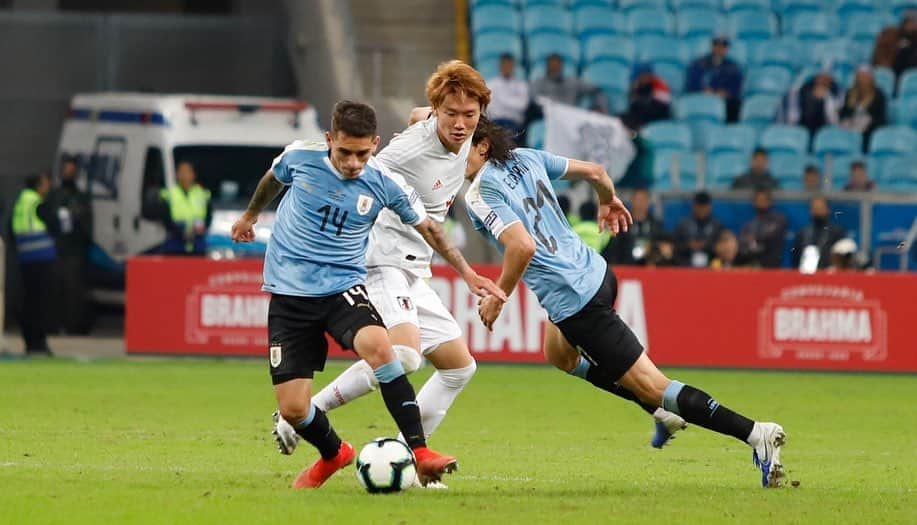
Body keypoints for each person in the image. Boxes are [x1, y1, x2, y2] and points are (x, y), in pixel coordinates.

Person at [464, 118, 787, 487]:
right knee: (559, 355)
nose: (452, 156)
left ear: (483, 146)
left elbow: (521, 247)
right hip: (597, 274)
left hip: (578, 303)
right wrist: (607, 201)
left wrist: (497, 298)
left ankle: (755, 433)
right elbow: (598, 172)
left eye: (460, 148)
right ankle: (662, 415)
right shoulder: (525, 157)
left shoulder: (480, 193)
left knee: (654, 386)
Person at [231, 100, 504, 489]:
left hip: (343, 287)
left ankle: (420, 451)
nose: (353, 163)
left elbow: (429, 228)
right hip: (290, 298)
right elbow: (272, 179)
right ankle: (334, 454)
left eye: (363, 153)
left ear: (375, 144)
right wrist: (250, 215)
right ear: (329, 140)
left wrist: (467, 272)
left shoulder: (382, 181)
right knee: (293, 410)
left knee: (385, 350)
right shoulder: (300, 157)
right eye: (344, 152)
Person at [44, 155, 93, 334]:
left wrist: (77, 216)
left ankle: (73, 326)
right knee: (55, 289)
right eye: (66, 170)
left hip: (74, 250)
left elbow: (87, 223)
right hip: (56, 248)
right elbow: (46, 216)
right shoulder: (54, 196)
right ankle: (55, 326)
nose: (68, 173)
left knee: (74, 290)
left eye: (72, 171)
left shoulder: (80, 197)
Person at [11, 172, 57, 354]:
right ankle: (39, 343)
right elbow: (54, 224)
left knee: (29, 302)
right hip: (41, 260)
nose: (49, 186)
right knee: (41, 305)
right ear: (39, 185)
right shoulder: (36, 202)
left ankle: (31, 342)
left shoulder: (21, 201)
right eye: (46, 183)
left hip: (25, 259)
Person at [685, 35, 743, 122]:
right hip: (702, 97)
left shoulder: (733, 67)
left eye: (723, 45)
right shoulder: (699, 63)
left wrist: (725, 93)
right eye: (717, 44)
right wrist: (704, 91)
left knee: (735, 105)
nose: (719, 48)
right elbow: (692, 83)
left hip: (724, 101)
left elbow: (736, 86)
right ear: (712, 46)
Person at [159, 161, 212, 255]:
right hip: (175, 244)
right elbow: (165, 219)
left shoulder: (203, 194)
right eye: (182, 172)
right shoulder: (169, 194)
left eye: (188, 172)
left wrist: (196, 232)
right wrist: (181, 234)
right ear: (177, 175)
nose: (185, 175)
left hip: (198, 245)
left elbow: (208, 218)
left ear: (193, 174)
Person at [602, 188, 664, 266]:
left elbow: (662, 245)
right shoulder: (621, 224)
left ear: (648, 202)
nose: (640, 203)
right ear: (632, 201)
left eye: (643, 200)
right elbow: (612, 250)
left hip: (649, 268)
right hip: (626, 266)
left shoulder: (656, 225)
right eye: (638, 200)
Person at [531, 54, 606, 112]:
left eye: (557, 65)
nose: (554, 67)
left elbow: (596, 89)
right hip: (547, 114)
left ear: (561, 67)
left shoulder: (572, 82)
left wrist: (599, 106)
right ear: (547, 67)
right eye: (552, 65)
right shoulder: (539, 83)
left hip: (569, 117)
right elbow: (535, 100)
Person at [792, 196, 847, 271]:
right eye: (815, 209)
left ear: (828, 210)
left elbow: (841, 259)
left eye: (820, 209)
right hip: (805, 275)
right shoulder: (803, 233)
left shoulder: (837, 232)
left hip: (829, 275)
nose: (817, 212)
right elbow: (795, 257)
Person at [839, 66, 887, 151]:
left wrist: (866, 124)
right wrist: (847, 122)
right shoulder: (849, 93)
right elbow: (843, 113)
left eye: (865, 77)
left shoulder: (879, 95)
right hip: (849, 130)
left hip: (869, 132)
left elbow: (880, 118)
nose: (862, 80)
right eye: (860, 77)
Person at [739, 189, 787, 269]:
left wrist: (755, 240)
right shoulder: (749, 223)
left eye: (763, 200)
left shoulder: (778, 219)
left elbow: (769, 238)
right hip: (752, 263)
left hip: (772, 263)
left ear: (769, 201)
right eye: (758, 200)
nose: (760, 202)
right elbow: (743, 242)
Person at [674, 191, 724, 267]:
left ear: (710, 207)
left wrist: (706, 245)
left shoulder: (717, 226)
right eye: (699, 206)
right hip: (686, 263)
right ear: (694, 206)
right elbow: (676, 245)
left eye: (704, 206)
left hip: (711, 263)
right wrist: (688, 245)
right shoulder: (683, 225)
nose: (702, 210)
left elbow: (720, 245)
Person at [486, 53, 529, 136]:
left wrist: (502, 101)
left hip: (514, 123)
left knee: (509, 134)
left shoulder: (521, 85)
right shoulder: (491, 84)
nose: (507, 67)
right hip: (496, 121)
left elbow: (523, 105)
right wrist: (512, 102)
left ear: (513, 66)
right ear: (500, 66)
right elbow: (490, 107)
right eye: (504, 65)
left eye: (509, 65)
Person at [626, 63, 671, 127]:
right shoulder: (637, 86)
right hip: (640, 121)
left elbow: (662, 107)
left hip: (658, 120)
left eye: (643, 76)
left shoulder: (660, 86)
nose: (640, 79)